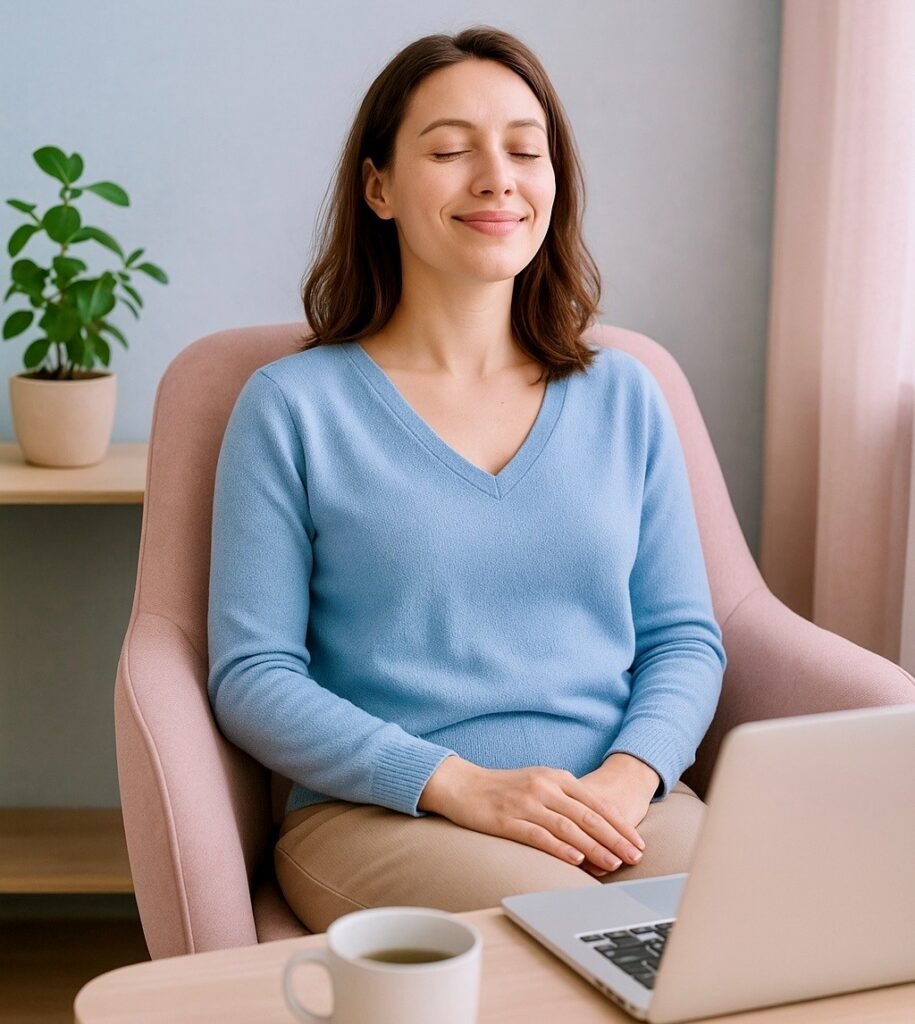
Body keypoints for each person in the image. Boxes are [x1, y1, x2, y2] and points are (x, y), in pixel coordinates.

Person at [206, 25, 727, 934]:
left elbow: (684, 636)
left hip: (618, 801)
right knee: (589, 943)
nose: (497, 177)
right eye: (450, 149)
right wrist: (454, 786)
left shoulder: (624, 394)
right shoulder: (291, 407)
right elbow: (253, 675)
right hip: (384, 815)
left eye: (526, 150)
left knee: (772, 926)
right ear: (378, 187)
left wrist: (627, 777)